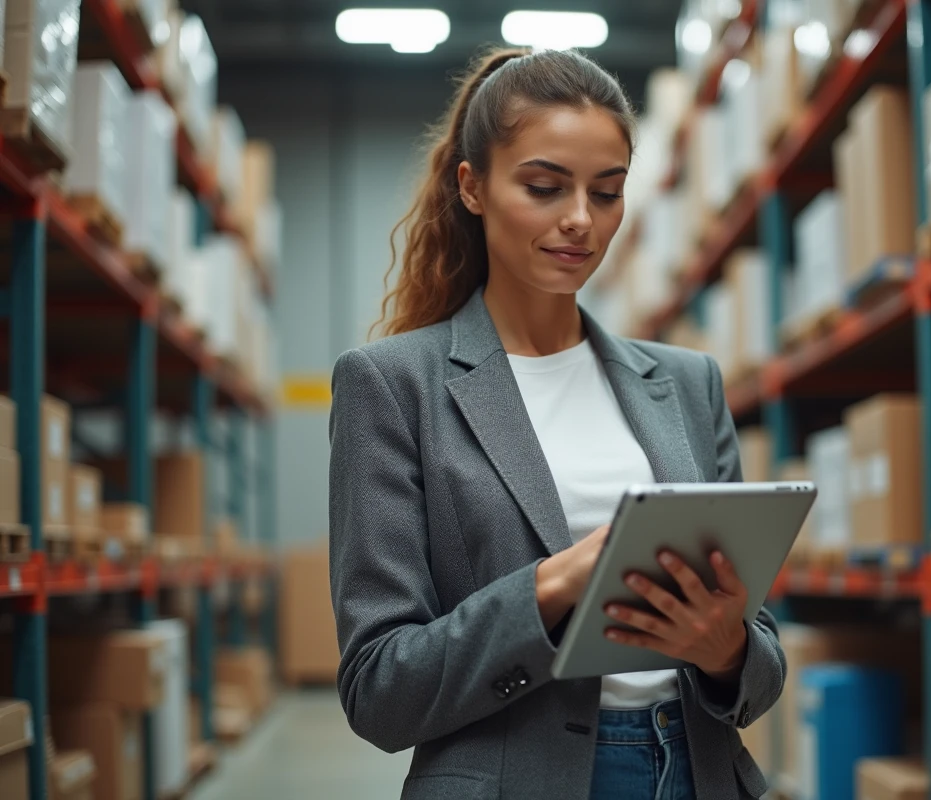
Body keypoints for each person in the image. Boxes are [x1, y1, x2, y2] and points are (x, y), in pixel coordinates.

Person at [328, 47, 784, 800]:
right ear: (472, 187)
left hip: (697, 774)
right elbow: (380, 689)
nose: (580, 220)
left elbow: (760, 660)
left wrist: (727, 649)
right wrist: (556, 582)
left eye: (607, 193)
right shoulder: (391, 386)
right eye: (544, 187)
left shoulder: (686, 383)